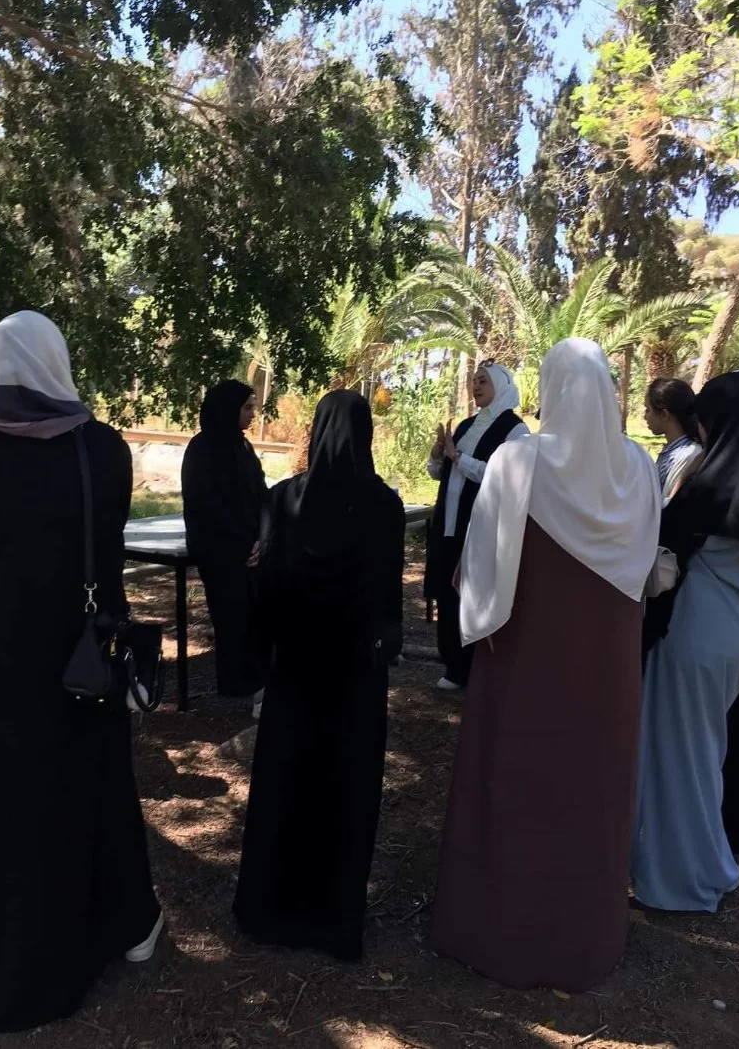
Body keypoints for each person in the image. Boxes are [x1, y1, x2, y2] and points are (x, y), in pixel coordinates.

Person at [0, 311, 161, 1033]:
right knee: (66, 791)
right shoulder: (104, 451)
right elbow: (106, 549)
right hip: (67, 656)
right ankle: (108, 925)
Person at [431, 338, 660, 991]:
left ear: (554, 388)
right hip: (606, 663)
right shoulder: (639, 468)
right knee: (590, 785)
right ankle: (583, 937)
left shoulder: (521, 460)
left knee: (518, 772)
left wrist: (477, 618)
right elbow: (645, 561)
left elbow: (480, 565)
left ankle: (498, 931)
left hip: (526, 652)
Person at [234, 390, 404, 960]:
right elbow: (387, 597)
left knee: (286, 783)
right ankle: (334, 921)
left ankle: (269, 909)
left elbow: (266, 587)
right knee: (345, 789)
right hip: (354, 676)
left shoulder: (284, 498)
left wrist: (263, 650)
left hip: (297, 670)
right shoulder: (383, 507)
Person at [634, 370, 739, 912]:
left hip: (693, 637)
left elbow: (657, 547)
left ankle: (679, 880)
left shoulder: (709, 492)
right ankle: (711, 864)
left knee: (679, 758)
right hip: (737, 638)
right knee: (707, 751)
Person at [425, 362, 527, 692]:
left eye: (483, 381)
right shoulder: (467, 426)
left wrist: (458, 457)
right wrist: (438, 454)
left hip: (481, 528)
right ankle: (453, 663)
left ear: (501, 384)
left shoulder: (516, 430)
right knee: (447, 592)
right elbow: (438, 474)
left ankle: (475, 667)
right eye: (473, 381)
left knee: (473, 593)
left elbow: (502, 477)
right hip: (449, 525)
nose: (476, 386)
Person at [181, 381, 269, 714]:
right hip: (221, 550)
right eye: (247, 408)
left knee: (257, 617)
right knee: (232, 617)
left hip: (252, 547)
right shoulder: (202, 449)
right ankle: (240, 685)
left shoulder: (243, 447)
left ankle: (257, 684)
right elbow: (206, 505)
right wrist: (243, 542)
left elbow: (261, 494)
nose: (252, 414)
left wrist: (263, 536)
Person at [644, 377, 702, 501]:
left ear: (664, 415)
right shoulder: (671, 451)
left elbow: (669, 503)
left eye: (648, 410)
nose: (645, 417)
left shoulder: (689, 455)